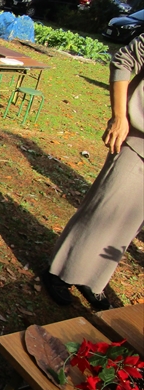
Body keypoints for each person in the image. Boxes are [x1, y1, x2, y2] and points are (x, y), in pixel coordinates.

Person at [42, 34, 144, 310]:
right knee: (104, 209)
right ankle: (60, 272)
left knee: (128, 224)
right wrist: (120, 116)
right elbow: (125, 59)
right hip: (139, 141)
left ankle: (92, 279)